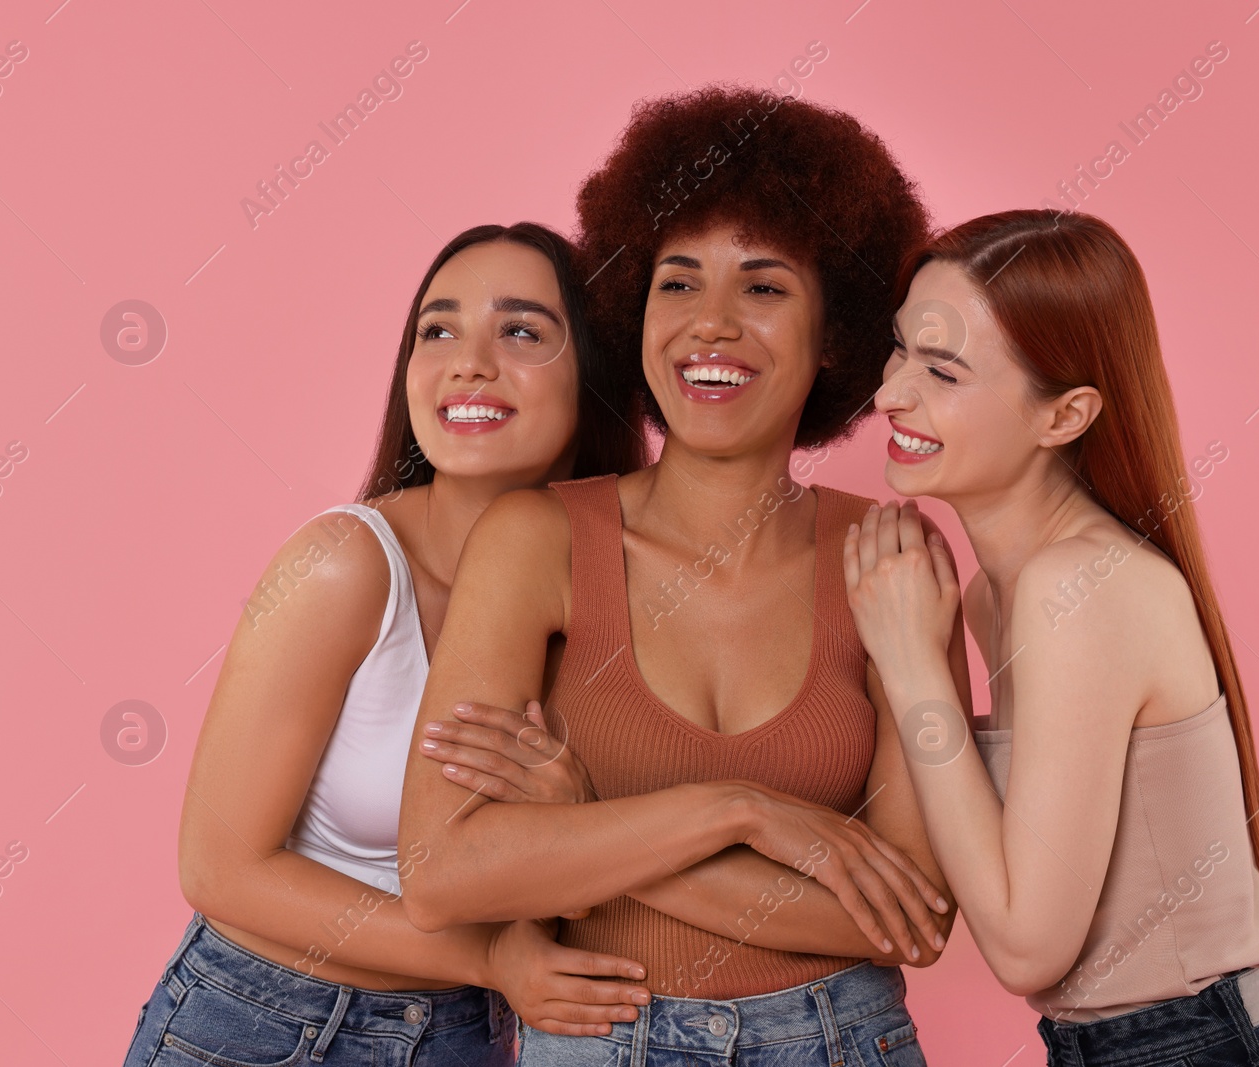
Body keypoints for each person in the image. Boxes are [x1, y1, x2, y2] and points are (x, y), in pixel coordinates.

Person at [397, 87, 959, 1065]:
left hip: (834, 1040)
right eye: (678, 282)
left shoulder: (891, 558)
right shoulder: (537, 541)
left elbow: (908, 917)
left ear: (836, 333)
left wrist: (578, 827)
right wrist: (741, 810)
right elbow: (445, 870)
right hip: (597, 1040)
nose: (711, 323)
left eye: (764, 287)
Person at [121, 223, 651, 1067]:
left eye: (520, 331)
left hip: (468, 1038)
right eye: (436, 330)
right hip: (264, 1025)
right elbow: (219, 867)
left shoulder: (623, 597)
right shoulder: (346, 566)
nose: (468, 361)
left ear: (596, 376)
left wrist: (575, 818)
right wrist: (487, 958)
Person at [841, 209, 1259, 1065]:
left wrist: (916, 666)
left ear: (1064, 416)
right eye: (900, 349)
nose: (890, 394)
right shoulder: (1000, 593)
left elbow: (1029, 946)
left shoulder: (1081, 588)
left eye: (944, 371)